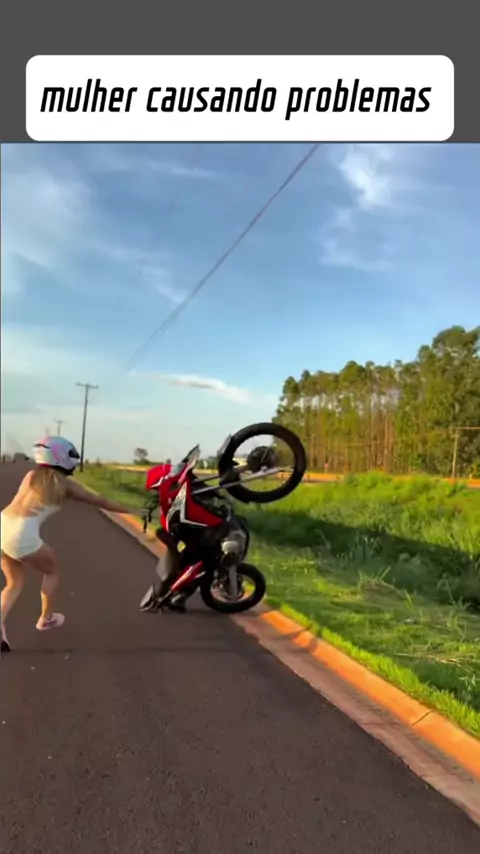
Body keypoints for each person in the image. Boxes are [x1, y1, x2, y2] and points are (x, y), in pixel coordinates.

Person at [0, 436, 146, 653]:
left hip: (3, 525)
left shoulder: (30, 476)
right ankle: (46, 618)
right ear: (61, 457)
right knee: (52, 570)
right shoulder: (65, 486)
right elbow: (100, 501)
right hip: (22, 534)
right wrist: (133, 511)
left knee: (14, 583)